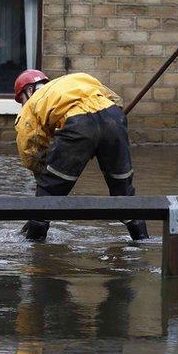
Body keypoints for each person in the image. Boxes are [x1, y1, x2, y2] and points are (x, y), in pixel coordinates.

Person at [13, 70, 149, 241]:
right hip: (114, 118)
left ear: (29, 91)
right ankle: (143, 242)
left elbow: (29, 149)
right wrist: (100, 138)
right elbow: (115, 101)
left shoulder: (32, 104)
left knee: (46, 196)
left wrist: (44, 174)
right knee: (124, 193)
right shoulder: (79, 78)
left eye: (22, 100)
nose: (23, 104)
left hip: (78, 125)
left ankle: (35, 251)